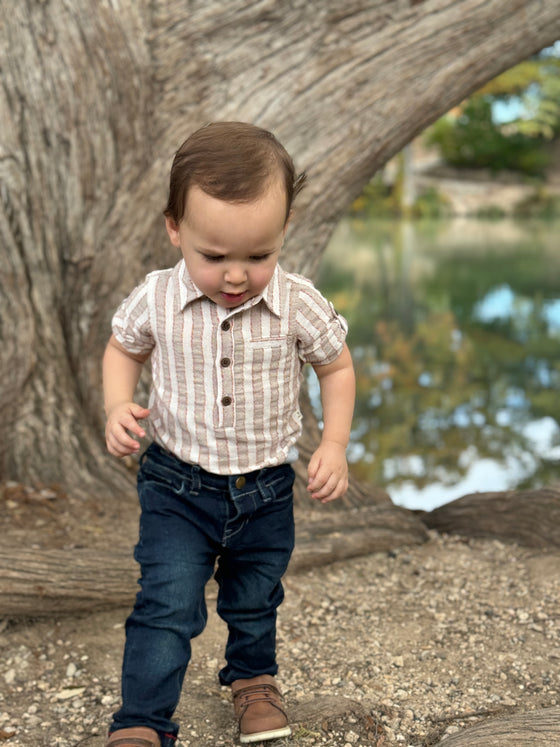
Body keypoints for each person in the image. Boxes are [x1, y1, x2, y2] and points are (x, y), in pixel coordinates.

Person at [102, 121, 355, 747]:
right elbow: (122, 348)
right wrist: (116, 404)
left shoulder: (298, 302)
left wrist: (333, 443)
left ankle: (253, 681)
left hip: (265, 488)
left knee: (254, 598)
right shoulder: (157, 297)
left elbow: (337, 365)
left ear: (281, 236)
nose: (236, 275)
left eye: (258, 256)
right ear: (175, 229)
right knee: (166, 601)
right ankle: (142, 719)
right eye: (214, 257)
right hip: (176, 484)